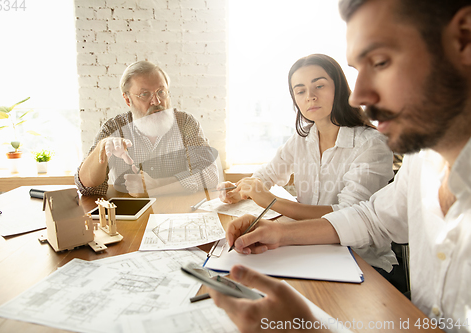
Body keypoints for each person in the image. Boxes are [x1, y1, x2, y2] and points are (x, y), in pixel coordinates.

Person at [209, 0, 471, 331]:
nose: (359, 93)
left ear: (464, 38)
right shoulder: (422, 161)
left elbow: (356, 216)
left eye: (381, 61)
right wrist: (278, 232)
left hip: (363, 268)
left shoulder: (371, 143)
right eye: (359, 70)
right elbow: (372, 218)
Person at [218, 54, 393, 222]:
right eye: (300, 91)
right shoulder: (302, 138)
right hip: (308, 244)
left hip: (356, 251)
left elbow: (348, 215)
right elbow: (268, 174)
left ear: (338, 88)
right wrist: (241, 190)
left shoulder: (371, 144)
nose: (310, 96)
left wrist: (271, 201)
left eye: (319, 86)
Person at [75, 61, 219, 197]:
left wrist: (156, 186)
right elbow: (87, 188)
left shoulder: (185, 123)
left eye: (161, 92)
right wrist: (102, 147)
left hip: (177, 213)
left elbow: (209, 175)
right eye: (144, 94)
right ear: (127, 99)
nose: (156, 101)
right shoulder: (114, 128)